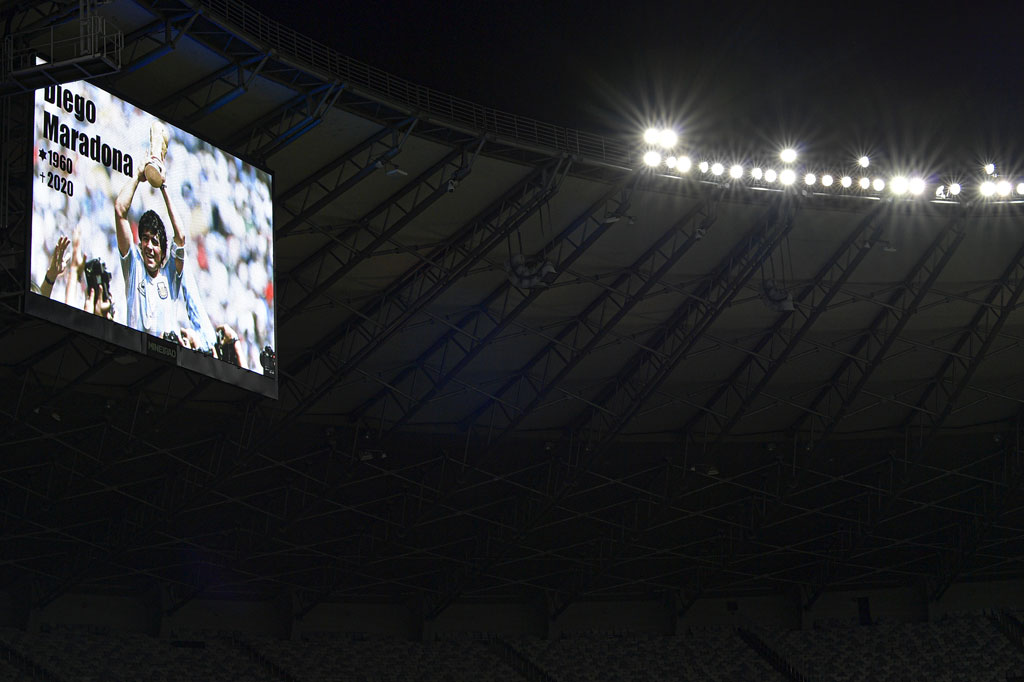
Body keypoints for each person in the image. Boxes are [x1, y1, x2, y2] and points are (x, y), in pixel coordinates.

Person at [113, 160, 187, 337]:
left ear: (163, 251)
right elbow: (120, 211)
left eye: (155, 241)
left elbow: (181, 237)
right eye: (145, 239)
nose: (149, 247)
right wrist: (139, 176)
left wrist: (163, 186)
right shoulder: (134, 266)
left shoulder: (170, 276)